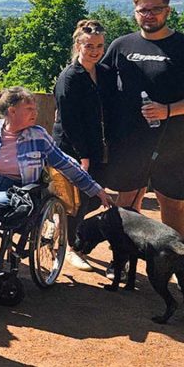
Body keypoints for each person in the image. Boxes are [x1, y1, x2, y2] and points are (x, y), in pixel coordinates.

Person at [0, 87, 111, 290]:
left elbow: (65, 164)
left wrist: (95, 189)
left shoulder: (38, 137)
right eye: (29, 108)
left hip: (17, 190)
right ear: (12, 111)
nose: (35, 113)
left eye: (34, 108)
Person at [101, 0, 184, 236]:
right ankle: (125, 259)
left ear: (167, 11)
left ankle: (175, 259)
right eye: (143, 10)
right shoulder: (121, 45)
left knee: (172, 205)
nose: (149, 15)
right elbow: (98, 82)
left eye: (155, 9)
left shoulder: (181, 46)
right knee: (126, 204)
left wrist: (168, 110)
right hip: (128, 142)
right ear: (135, 13)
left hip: (173, 144)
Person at [52, 20, 112, 271]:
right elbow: (69, 121)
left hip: (96, 145)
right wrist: (83, 156)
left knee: (94, 198)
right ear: (78, 45)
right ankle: (67, 249)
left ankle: (58, 228)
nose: (95, 51)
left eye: (99, 46)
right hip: (71, 147)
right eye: (89, 46)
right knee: (77, 202)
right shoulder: (70, 78)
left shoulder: (103, 72)